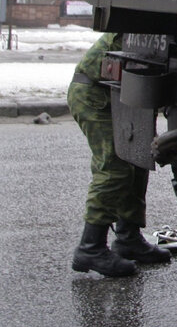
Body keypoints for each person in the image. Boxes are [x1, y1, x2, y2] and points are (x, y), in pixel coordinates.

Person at [69, 32, 171, 277]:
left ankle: (128, 238)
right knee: (115, 169)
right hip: (95, 95)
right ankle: (90, 247)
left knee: (137, 161)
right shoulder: (138, 26)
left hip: (124, 94)